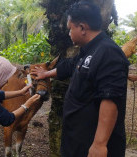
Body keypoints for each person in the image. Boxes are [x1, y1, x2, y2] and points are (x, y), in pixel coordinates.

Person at [31, 1, 129, 157]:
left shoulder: (108, 53)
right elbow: (70, 65)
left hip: (92, 147)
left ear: (82, 28)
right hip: (78, 142)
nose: (69, 33)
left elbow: (110, 99)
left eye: (71, 29)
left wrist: (99, 144)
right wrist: (46, 74)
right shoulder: (88, 51)